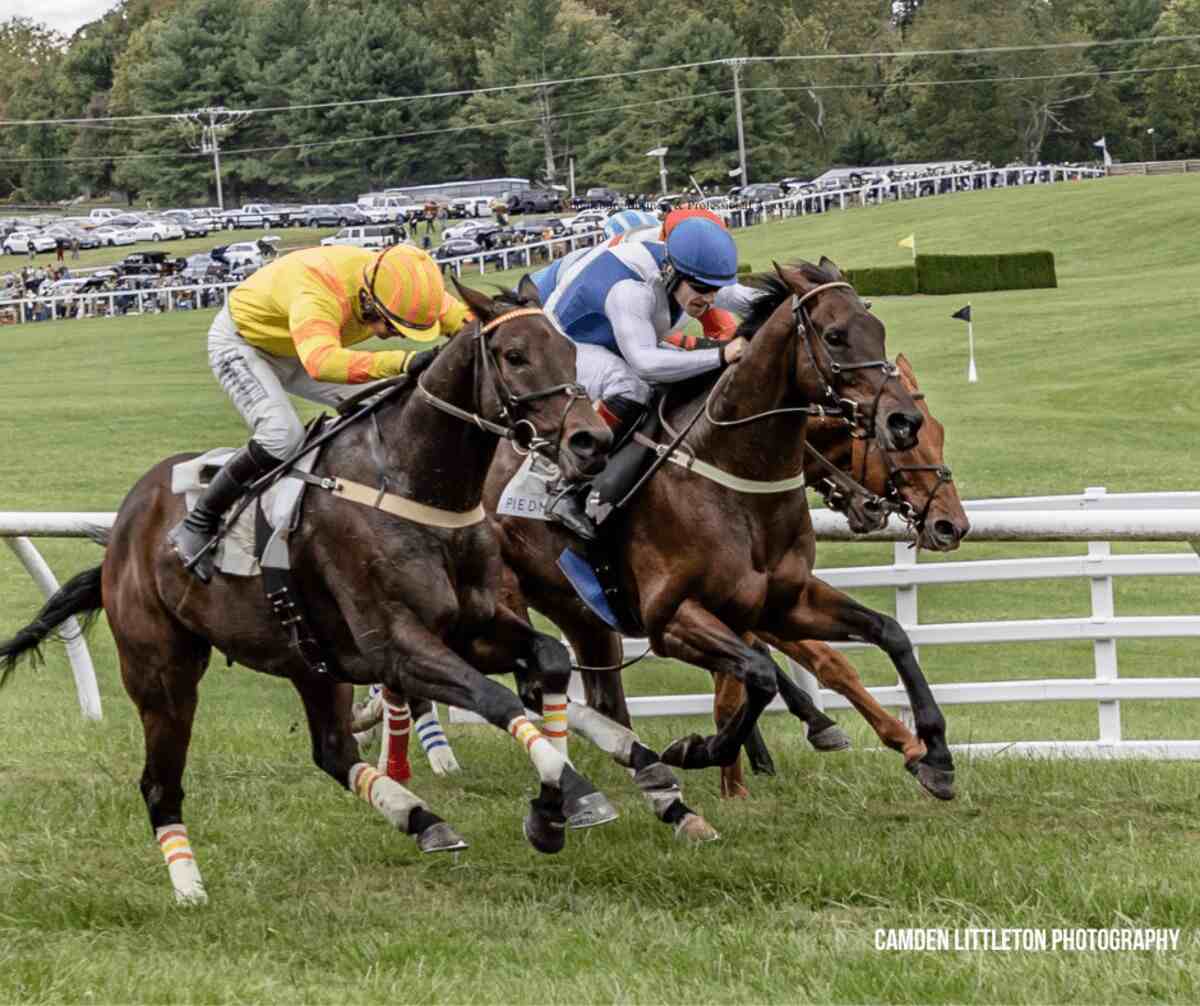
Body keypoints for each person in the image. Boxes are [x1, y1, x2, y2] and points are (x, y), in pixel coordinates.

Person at [169, 244, 472, 582]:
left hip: (304, 341)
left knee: (394, 402)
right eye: (395, 327)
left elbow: (469, 321)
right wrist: (404, 362)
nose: (400, 335)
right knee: (282, 436)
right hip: (246, 345)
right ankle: (198, 520)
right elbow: (322, 362)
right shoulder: (318, 288)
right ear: (369, 300)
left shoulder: (405, 287)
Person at [529, 215, 749, 540]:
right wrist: (721, 355)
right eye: (702, 290)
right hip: (561, 350)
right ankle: (568, 488)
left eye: (714, 289)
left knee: (683, 377)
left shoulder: (687, 274)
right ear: (673, 272)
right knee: (631, 387)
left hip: (608, 344)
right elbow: (645, 363)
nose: (710, 299)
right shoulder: (631, 290)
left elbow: (743, 296)